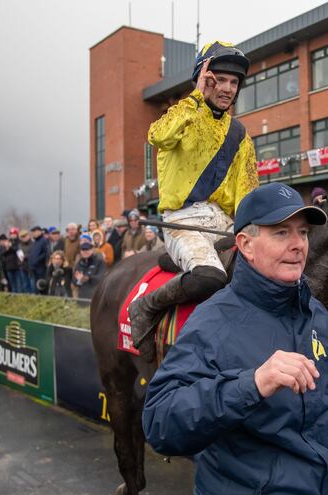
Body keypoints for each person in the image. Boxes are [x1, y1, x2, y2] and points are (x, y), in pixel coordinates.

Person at [143, 183, 328, 495]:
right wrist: (254, 384)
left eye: (303, 232)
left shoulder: (317, 315)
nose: (298, 244)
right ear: (245, 245)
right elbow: (161, 425)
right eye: (281, 232)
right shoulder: (212, 321)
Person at [130, 41, 259, 353]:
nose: (228, 88)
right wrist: (196, 97)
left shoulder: (241, 136)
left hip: (224, 225)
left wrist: (253, 229)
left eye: (234, 82)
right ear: (203, 79)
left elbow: (247, 193)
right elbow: (157, 136)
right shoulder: (182, 115)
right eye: (219, 79)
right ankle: (146, 306)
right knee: (210, 278)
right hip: (182, 221)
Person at [28, 225, 49, 293]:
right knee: (36, 286)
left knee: (41, 285)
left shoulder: (43, 241)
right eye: (33, 232)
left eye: (35, 232)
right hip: (34, 268)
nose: (34, 233)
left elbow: (45, 253)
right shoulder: (35, 242)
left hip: (40, 267)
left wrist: (37, 260)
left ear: (39, 232)